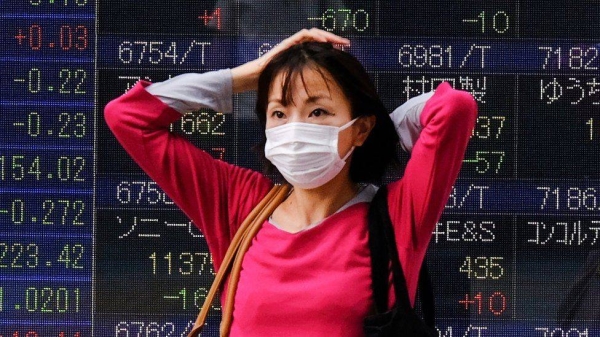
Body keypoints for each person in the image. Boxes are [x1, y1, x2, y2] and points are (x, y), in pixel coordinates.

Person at [104, 28, 478, 336]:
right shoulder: (241, 204)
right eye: (279, 112)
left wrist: (380, 130)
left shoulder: (395, 216)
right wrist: (249, 76)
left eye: (318, 111)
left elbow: (455, 108)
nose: (295, 128)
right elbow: (127, 116)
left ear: (360, 127)